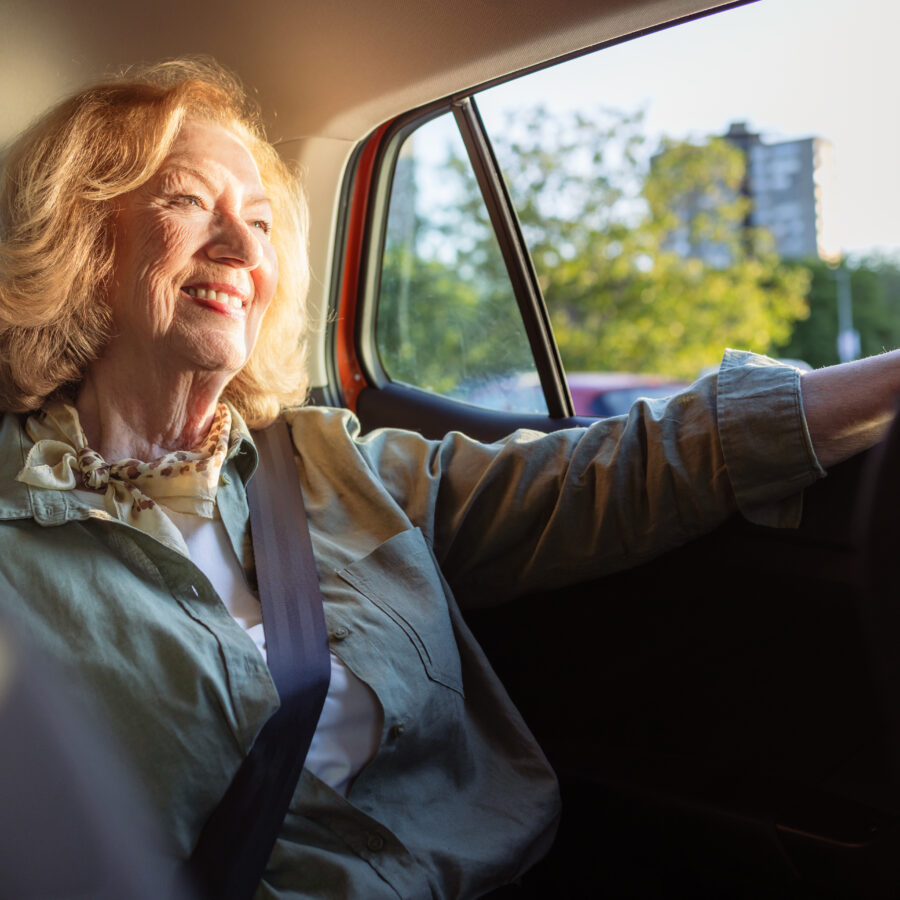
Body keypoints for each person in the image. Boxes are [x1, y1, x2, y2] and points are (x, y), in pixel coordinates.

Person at [0, 57, 897, 899]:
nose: (242, 245)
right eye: (191, 202)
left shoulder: (329, 467)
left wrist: (888, 380)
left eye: (264, 220)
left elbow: (608, 475)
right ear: (84, 241)